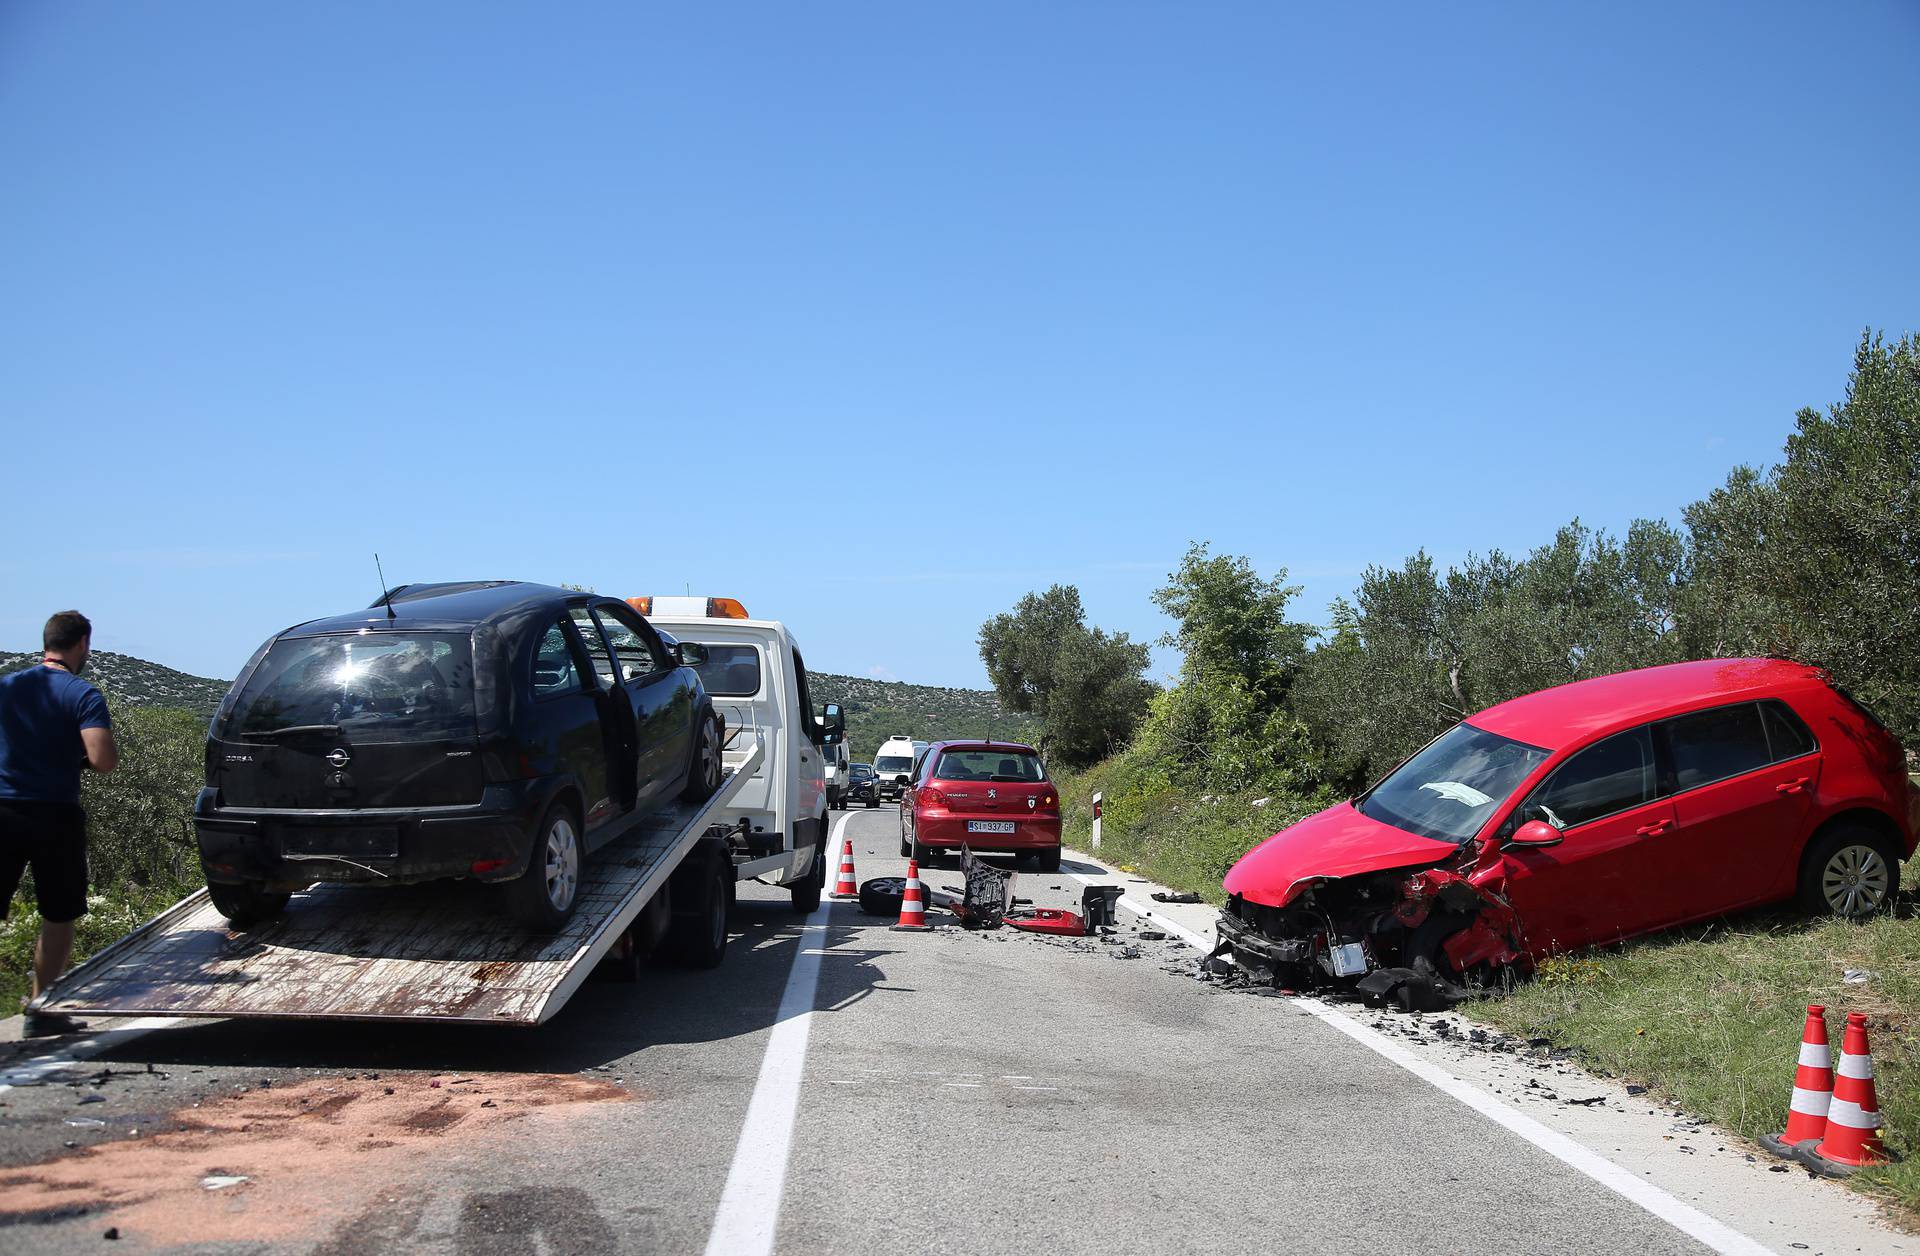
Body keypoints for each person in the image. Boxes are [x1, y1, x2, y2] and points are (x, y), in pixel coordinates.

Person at [0, 610, 118, 1036]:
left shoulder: (7, 687)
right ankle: (41, 1010)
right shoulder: (82, 694)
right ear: (82, 643)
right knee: (58, 915)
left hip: (3, 809)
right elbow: (103, 760)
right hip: (53, 814)